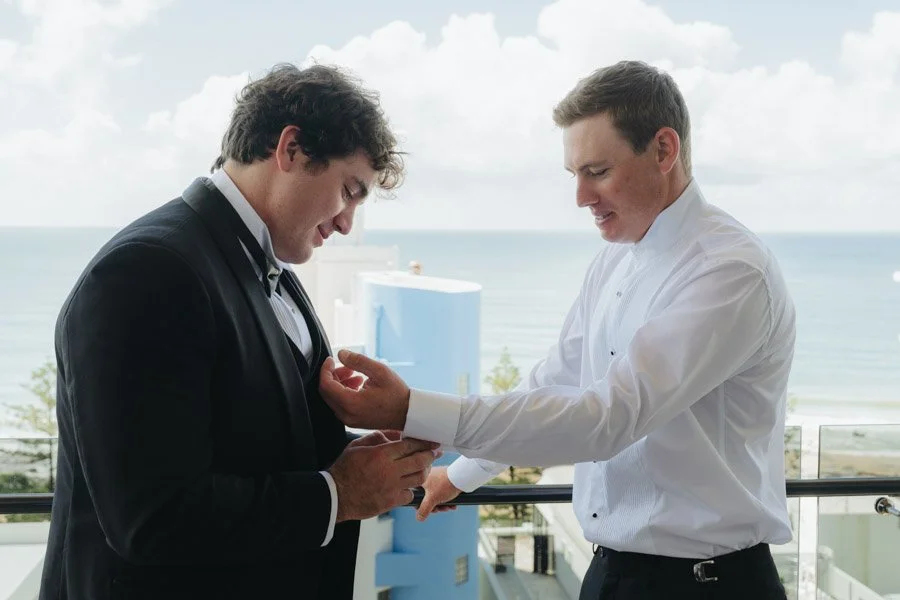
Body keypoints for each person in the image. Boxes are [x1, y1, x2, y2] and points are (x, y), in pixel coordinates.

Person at [319, 60, 795, 600]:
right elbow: (554, 384)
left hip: (707, 585)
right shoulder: (614, 260)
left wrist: (410, 409)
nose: (581, 197)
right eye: (575, 175)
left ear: (664, 150)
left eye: (598, 171)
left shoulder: (729, 271)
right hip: (612, 574)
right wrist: (460, 474)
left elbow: (606, 420)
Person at [39, 63, 438, 600]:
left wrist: (367, 461)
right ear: (291, 149)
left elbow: (242, 445)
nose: (347, 223)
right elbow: (153, 517)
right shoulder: (148, 269)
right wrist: (339, 494)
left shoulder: (267, 268)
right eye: (349, 191)